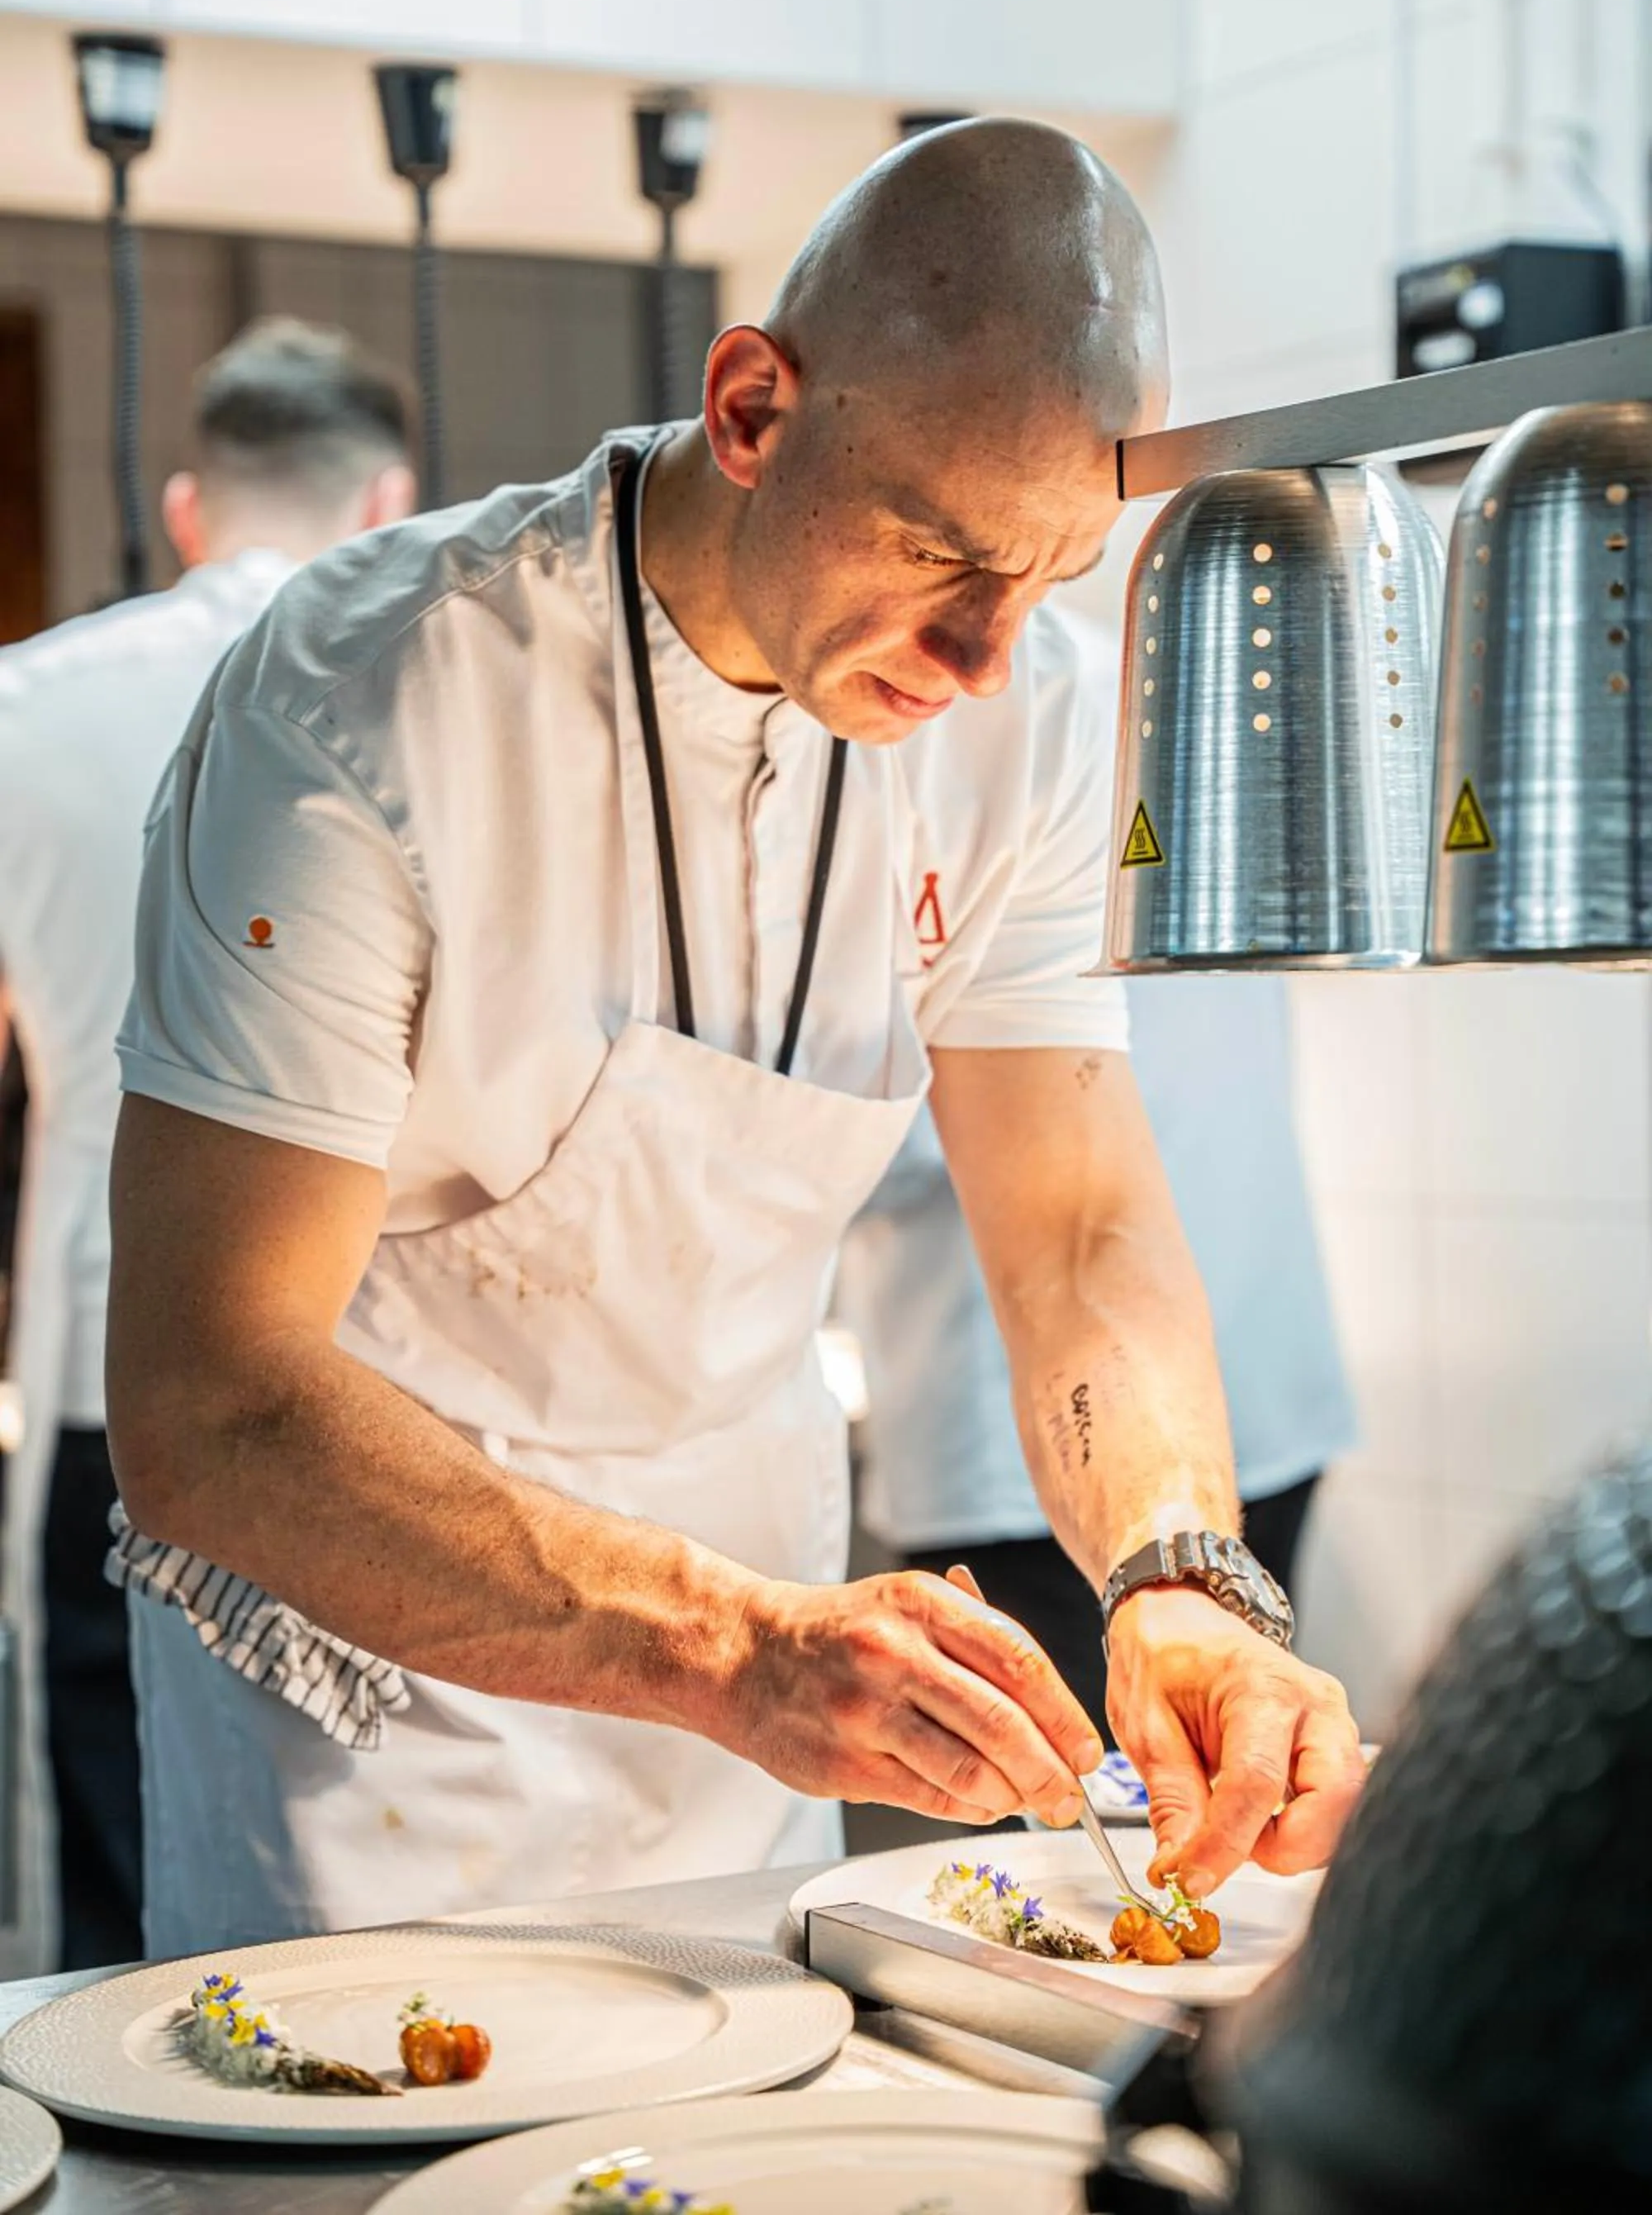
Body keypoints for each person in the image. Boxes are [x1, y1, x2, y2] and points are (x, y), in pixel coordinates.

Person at [103, 121, 1365, 1960]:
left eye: (1051, 575)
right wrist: (726, 1644)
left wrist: (1181, 1566)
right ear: (755, 408)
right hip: (373, 1717)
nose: (984, 656)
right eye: (936, 547)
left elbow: (1077, 1219)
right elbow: (210, 1400)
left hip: (757, 1699)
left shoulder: (1027, 713)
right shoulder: (374, 697)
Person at [0, 320, 415, 1967]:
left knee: (130, 1910)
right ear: (390, 496)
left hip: (119, 1375)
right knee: (380, 1908)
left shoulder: (24, 704)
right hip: (389, 1390)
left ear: (187, 508)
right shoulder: (423, 685)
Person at [840, 621, 1356, 1743]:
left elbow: (995, 1189)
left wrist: (1180, 1567)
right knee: (1098, 1822)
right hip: (1251, 1372)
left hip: (1055, 1435)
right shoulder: (1146, 736)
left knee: (1116, 1809)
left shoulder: (1041, 735)